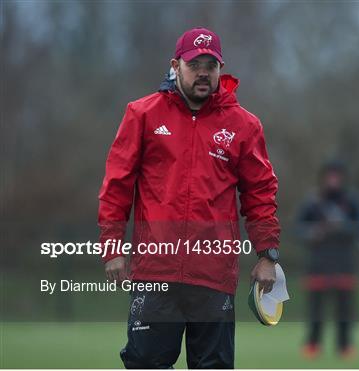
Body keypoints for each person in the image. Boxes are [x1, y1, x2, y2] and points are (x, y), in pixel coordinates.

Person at [98, 27, 280, 369]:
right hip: (156, 272)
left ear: (220, 70)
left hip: (213, 276)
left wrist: (267, 254)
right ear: (175, 65)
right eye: (194, 63)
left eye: (211, 65)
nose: (203, 72)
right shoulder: (142, 114)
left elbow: (260, 194)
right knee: (145, 364)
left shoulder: (245, 126)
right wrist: (112, 247)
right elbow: (116, 185)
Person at [297, 161, 359, 359]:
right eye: (330, 176)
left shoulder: (351, 201)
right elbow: (299, 229)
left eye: (337, 176)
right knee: (316, 309)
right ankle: (312, 345)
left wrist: (343, 227)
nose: (333, 180)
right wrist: (313, 233)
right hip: (318, 263)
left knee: (344, 309)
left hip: (344, 262)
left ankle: (345, 346)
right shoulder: (312, 202)